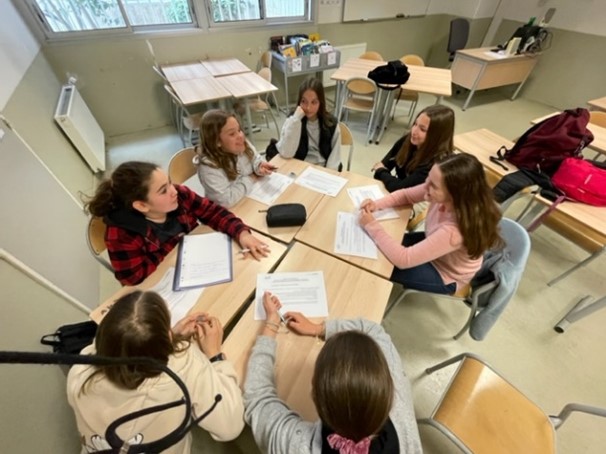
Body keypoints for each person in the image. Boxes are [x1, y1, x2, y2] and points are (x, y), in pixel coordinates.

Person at [67, 290, 245, 454]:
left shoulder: (79, 372)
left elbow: (125, 352)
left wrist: (164, 339)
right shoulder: (184, 364)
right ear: (168, 335)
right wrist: (215, 356)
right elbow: (230, 426)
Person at [243, 292, 422, 454]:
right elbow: (373, 330)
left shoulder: (298, 445)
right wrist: (318, 328)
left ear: (314, 395)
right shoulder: (399, 401)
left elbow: (258, 398)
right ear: (388, 383)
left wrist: (271, 323)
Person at [84, 161, 269, 285]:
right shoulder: (121, 233)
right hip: (171, 282)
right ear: (141, 205)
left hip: (201, 264)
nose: (174, 191)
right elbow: (133, 278)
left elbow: (212, 212)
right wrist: (179, 245)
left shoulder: (179, 194)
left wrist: (242, 233)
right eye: (163, 190)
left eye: (170, 182)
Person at [360, 153, 502, 294]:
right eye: (428, 178)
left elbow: (403, 259)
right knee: (378, 247)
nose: (425, 186)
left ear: (454, 194)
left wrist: (372, 225)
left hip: (445, 272)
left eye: (433, 185)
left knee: (380, 263)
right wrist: (376, 204)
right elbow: (406, 195)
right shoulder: (439, 189)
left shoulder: (455, 231)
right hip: (438, 245)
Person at [194, 109, 277, 208]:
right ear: (217, 141)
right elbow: (225, 201)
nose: (240, 136)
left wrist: (258, 166)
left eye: (239, 130)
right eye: (232, 134)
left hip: (249, 199)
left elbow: (255, 158)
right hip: (228, 210)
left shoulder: (241, 144)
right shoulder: (209, 168)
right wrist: (251, 178)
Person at [371, 105, 455, 192]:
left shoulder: (435, 164)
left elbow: (400, 188)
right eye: (415, 124)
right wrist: (383, 173)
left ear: (437, 136)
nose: (414, 131)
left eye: (422, 129)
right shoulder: (408, 140)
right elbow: (381, 170)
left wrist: (382, 172)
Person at [275, 77, 341, 170]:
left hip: (322, 168)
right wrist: (296, 120)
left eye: (314, 102)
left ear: (320, 102)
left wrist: (328, 174)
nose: (308, 108)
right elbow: (286, 153)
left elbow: (334, 160)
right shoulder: (292, 120)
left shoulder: (331, 124)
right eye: (304, 101)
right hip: (298, 166)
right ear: (299, 101)